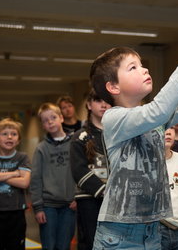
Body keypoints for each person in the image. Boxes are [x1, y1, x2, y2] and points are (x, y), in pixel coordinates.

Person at [89, 26, 178, 249]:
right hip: (118, 233)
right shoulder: (113, 118)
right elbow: (157, 110)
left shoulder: (156, 116)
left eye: (142, 64)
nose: (144, 69)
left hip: (153, 228)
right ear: (113, 87)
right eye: (133, 67)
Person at [31, 103, 76, 250]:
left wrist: (78, 197)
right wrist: (38, 208)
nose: (50, 122)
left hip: (70, 205)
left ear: (61, 118)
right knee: (49, 246)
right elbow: (35, 179)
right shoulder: (41, 149)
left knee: (64, 246)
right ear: (43, 126)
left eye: (53, 117)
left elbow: (81, 172)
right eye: (45, 120)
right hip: (48, 206)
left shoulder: (75, 144)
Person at [0, 119, 31, 250]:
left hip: (16, 212)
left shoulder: (22, 157)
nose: (9, 137)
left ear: (18, 140)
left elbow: (25, 182)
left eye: (14, 134)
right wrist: (15, 173)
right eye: (4, 134)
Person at [70, 89, 111, 250]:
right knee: (91, 242)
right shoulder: (80, 137)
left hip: (116, 199)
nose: (103, 104)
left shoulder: (119, 134)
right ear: (89, 105)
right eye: (98, 100)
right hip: (89, 199)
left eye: (107, 100)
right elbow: (78, 170)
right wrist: (104, 190)